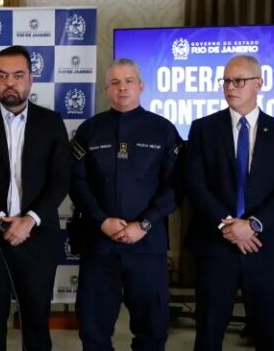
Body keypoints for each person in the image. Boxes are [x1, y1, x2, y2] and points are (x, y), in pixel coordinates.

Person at [0, 45, 71, 350]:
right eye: (2, 75)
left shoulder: (51, 122)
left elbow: (61, 179)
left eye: (18, 75)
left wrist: (29, 220)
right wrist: (1, 221)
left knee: (36, 325)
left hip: (38, 236)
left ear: (30, 79)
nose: (10, 82)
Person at [69, 58, 181, 350]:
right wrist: (101, 220)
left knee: (152, 329)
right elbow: (76, 182)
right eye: (115, 82)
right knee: (93, 329)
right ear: (107, 89)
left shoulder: (163, 130)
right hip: (99, 245)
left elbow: (176, 186)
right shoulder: (88, 130)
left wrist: (144, 224)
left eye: (129, 81)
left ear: (141, 86)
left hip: (147, 244)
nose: (122, 87)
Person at [185, 55, 274, 351]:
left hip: (263, 248)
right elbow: (195, 185)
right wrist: (229, 225)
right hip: (215, 246)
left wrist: (253, 225)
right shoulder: (203, 129)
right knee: (208, 335)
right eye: (226, 81)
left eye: (238, 81)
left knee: (268, 335)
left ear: (259, 84)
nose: (230, 87)